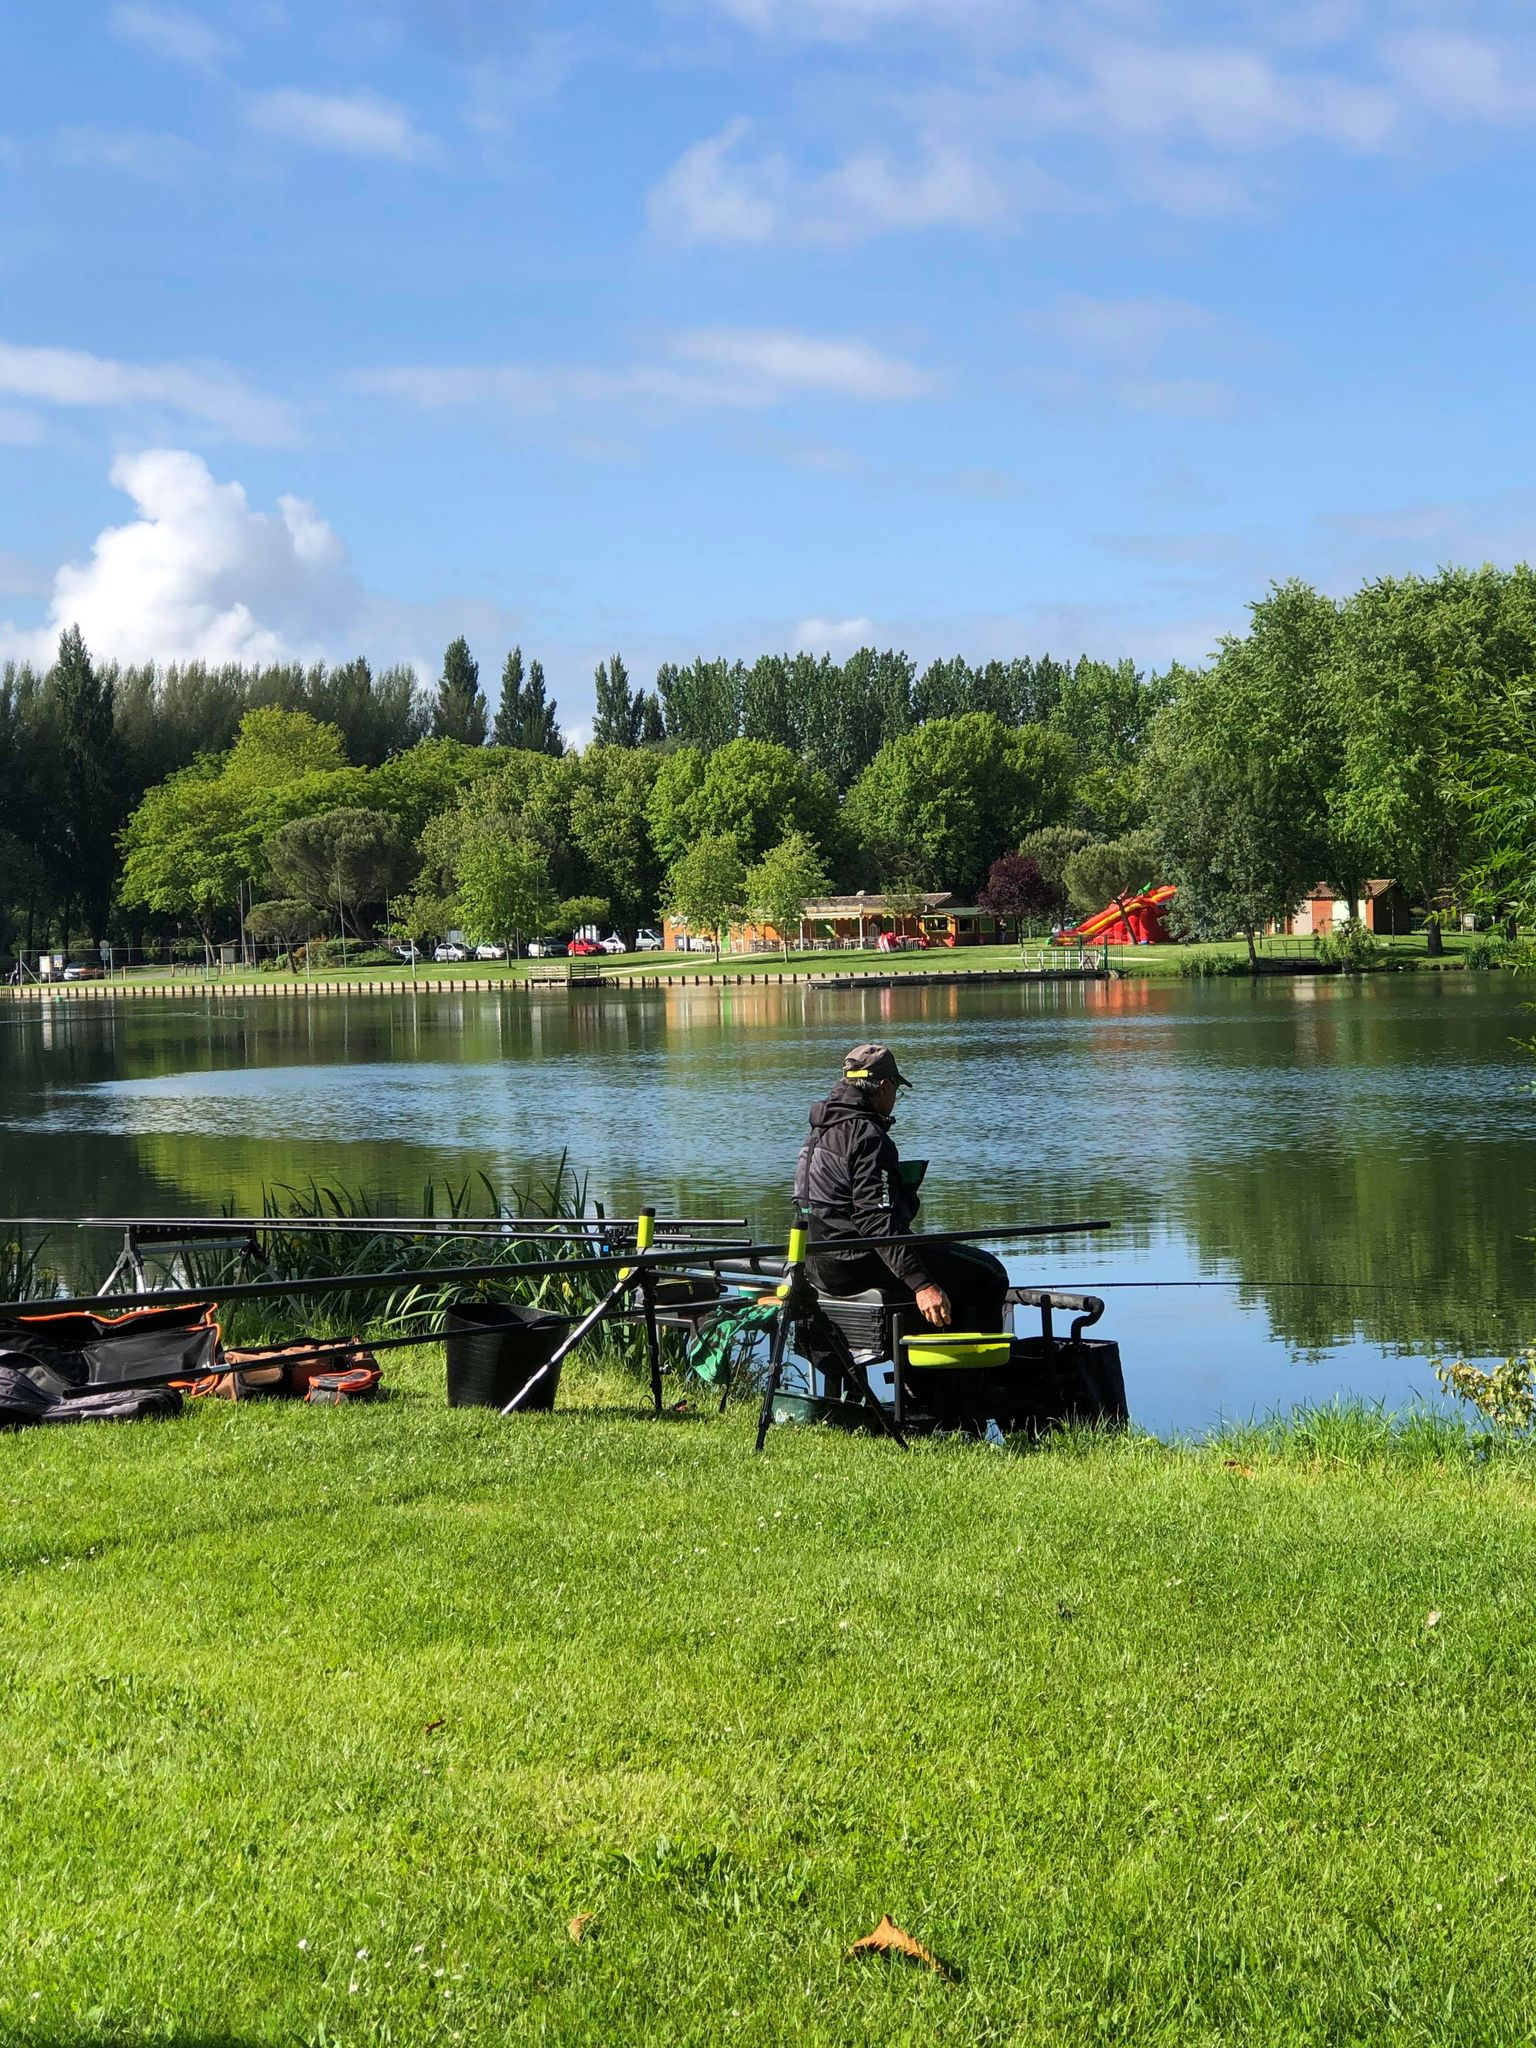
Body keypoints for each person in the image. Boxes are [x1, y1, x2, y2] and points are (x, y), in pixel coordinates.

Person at [793, 1042, 1009, 1331]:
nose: (896, 1098)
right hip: (855, 1265)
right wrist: (922, 1284)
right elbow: (874, 1220)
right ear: (883, 1086)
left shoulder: (820, 1129)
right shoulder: (867, 1136)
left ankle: (926, 1367)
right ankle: (974, 1374)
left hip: (819, 1264)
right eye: (897, 1089)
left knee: (933, 1260)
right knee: (988, 1273)